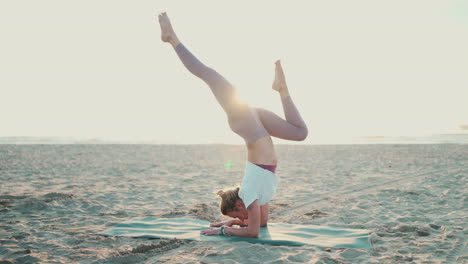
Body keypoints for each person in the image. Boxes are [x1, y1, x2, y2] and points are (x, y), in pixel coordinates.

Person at [158, 12, 308, 238]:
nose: (241, 219)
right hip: (256, 126)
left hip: (249, 125)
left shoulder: (248, 193)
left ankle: (172, 39)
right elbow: (262, 226)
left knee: (211, 76)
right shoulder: (257, 196)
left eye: (237, 216)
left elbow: (253, 231)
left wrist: (225, 230)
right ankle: (282, 89)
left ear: (239, 205)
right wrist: (229, 224)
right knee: (300, 133)